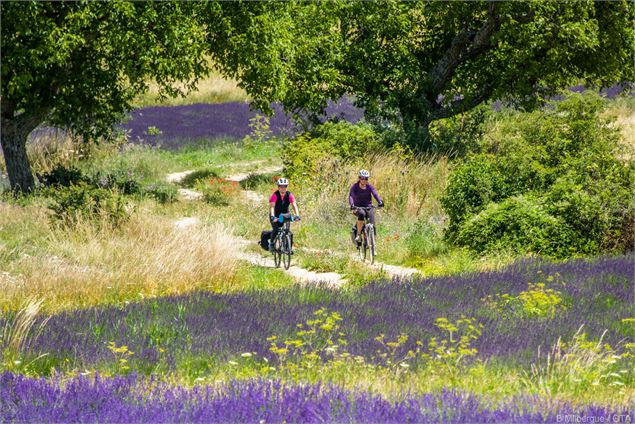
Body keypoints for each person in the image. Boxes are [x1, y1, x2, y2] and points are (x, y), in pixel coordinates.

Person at [349, 169, 383, 244]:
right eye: (362, 178)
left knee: (372, 217)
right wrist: (352, 205)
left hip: (368, 206)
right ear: (359, 178)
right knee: (361, 214)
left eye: (366, 178)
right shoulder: (355, 187)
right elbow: (351, 196)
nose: (364, 180)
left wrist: (380, 201)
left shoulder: (369, 187)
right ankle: (358, 234)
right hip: (358, 207)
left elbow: (375, 194)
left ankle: (373, 238)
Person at [269, 177, 300, 251]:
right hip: (275, 215)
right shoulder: (275, 195)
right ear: (278, 187)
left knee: (288, 231)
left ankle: (288, 248)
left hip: (286, 215)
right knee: (276, 230)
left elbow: (294, 205)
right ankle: (272, 243)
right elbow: (272, 207)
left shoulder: (289, 195)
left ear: (287, 187)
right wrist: (273, 216)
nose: (283, 188)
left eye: (285, 186)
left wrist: (297, 215)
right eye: (281, 186)